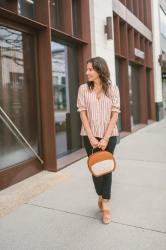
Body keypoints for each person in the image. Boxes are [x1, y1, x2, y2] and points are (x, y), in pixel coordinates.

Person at [77, 56, 120, 224]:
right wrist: (92, 136)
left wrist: (106, 137)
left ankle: (105, 203)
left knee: (107, 167)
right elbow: (82, 113)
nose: (87, 72)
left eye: (90, 69)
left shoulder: (113, 89)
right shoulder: (83, 89)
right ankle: (101, 196)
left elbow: (115, 113)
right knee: (95, 167)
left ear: (99, 70)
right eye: (87, 69)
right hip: (89, 136)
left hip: (110, 135)